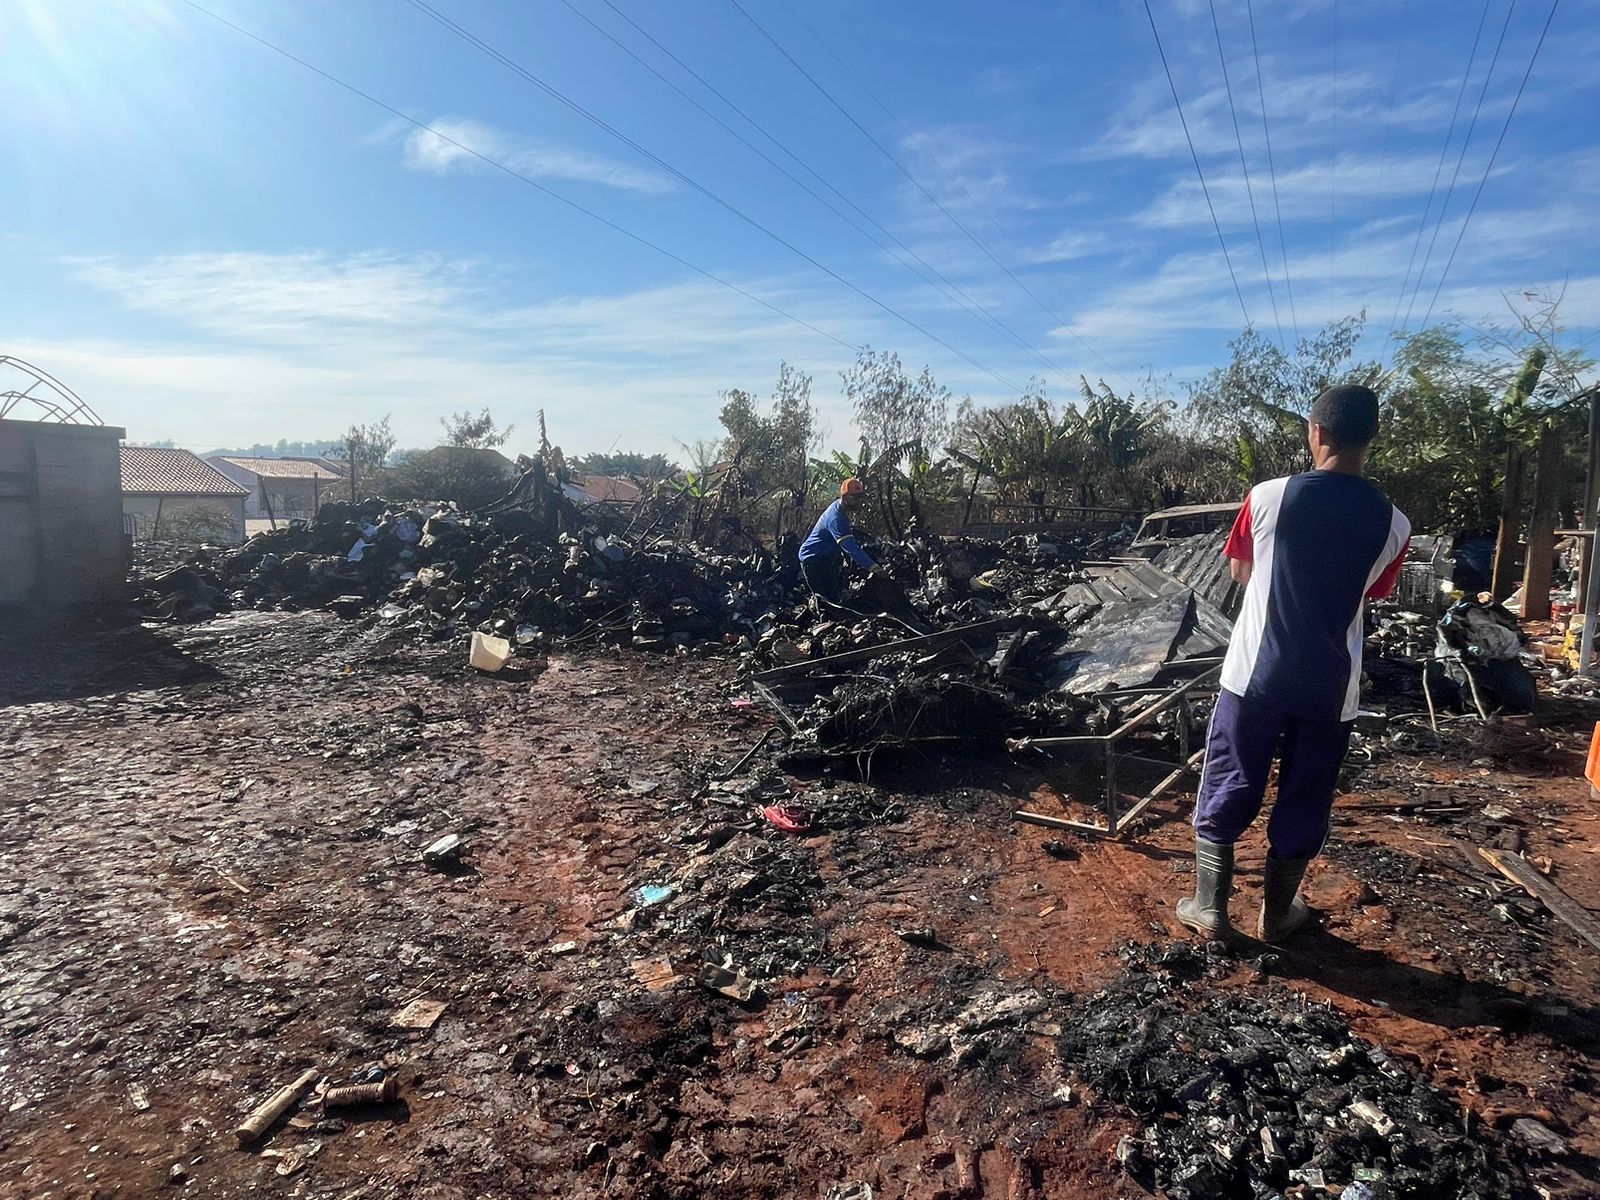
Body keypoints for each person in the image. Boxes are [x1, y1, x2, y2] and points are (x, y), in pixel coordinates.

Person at [1178, 384, 1410, 943]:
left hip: (1255, 676)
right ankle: (1278, 914)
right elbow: (1373, 593)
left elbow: (1239, 573)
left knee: (1232, 775)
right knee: (1308, 789)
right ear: (1369, 439)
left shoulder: (1266, 497)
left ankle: (1210, 907)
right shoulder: (1394, 522)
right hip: (1331, 684)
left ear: (1318, 433)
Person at [798, 478, 880, 602]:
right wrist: (874, 567)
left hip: (826, 558)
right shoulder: (836, 518)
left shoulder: (843, 510)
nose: (859, 501)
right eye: (854, 497)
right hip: (813, 559)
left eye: (860, 497)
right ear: (844, 496)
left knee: (836, 596)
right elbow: (850, 547)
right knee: (825, 601)